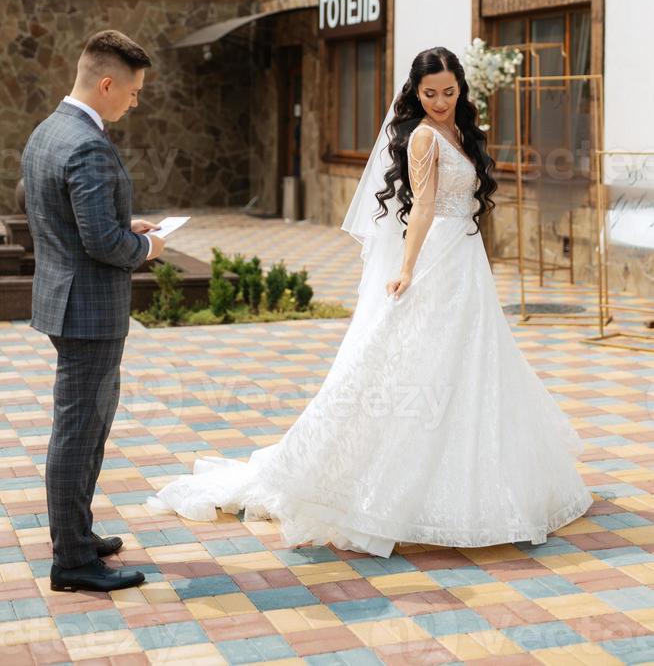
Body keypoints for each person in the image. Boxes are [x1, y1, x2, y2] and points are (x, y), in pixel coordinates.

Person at [147, 46, 592, 557]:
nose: (441, 101)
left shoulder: (458, 131)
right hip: (434, 258)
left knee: (471, 363)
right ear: (415, 92)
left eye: (449, 92)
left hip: (464, 260)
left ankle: (478, 476)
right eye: (430, 93)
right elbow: (422, 206)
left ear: (461, 89)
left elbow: (464, 199)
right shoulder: (423, 136)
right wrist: (406, 269)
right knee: (414, 364)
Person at [21, 29, 167, 592]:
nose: (135, 102)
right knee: (80, 432)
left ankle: (77, 537)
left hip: (66, 302)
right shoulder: (88, 144)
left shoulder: (47, 132)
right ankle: (72, 562)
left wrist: (119, 225)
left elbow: (62, 217)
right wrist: (147, 247)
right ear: (107, 84)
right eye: (132, 93)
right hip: (88, 310)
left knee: (84, 427)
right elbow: (104, 247)